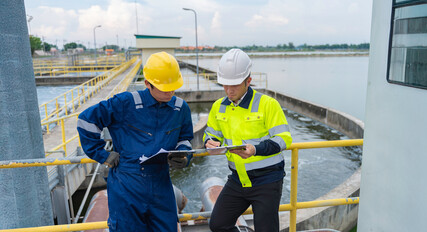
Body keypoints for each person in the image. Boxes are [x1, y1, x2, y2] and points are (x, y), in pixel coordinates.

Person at [77, 51, 194, 232]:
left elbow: (185, 138)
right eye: (164, 88)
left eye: (173, 87)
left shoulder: (180, 108)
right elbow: (86, 121)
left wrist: (184, 156)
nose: (170, 92)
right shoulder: (125, 103)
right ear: (148, 83)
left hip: (161, 185)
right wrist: (103, 155)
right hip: (126, 186)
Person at [204, 48, 293, 232]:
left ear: (248, 81)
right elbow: (211, 133)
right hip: (237, 179)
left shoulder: (268, 104)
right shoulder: (218, 107)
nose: (229, 90)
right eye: (225, 85)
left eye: (234, 85)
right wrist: (210, 142)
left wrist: (255, 150)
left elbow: (284, 139)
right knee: (218, 224)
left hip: (267, 180)